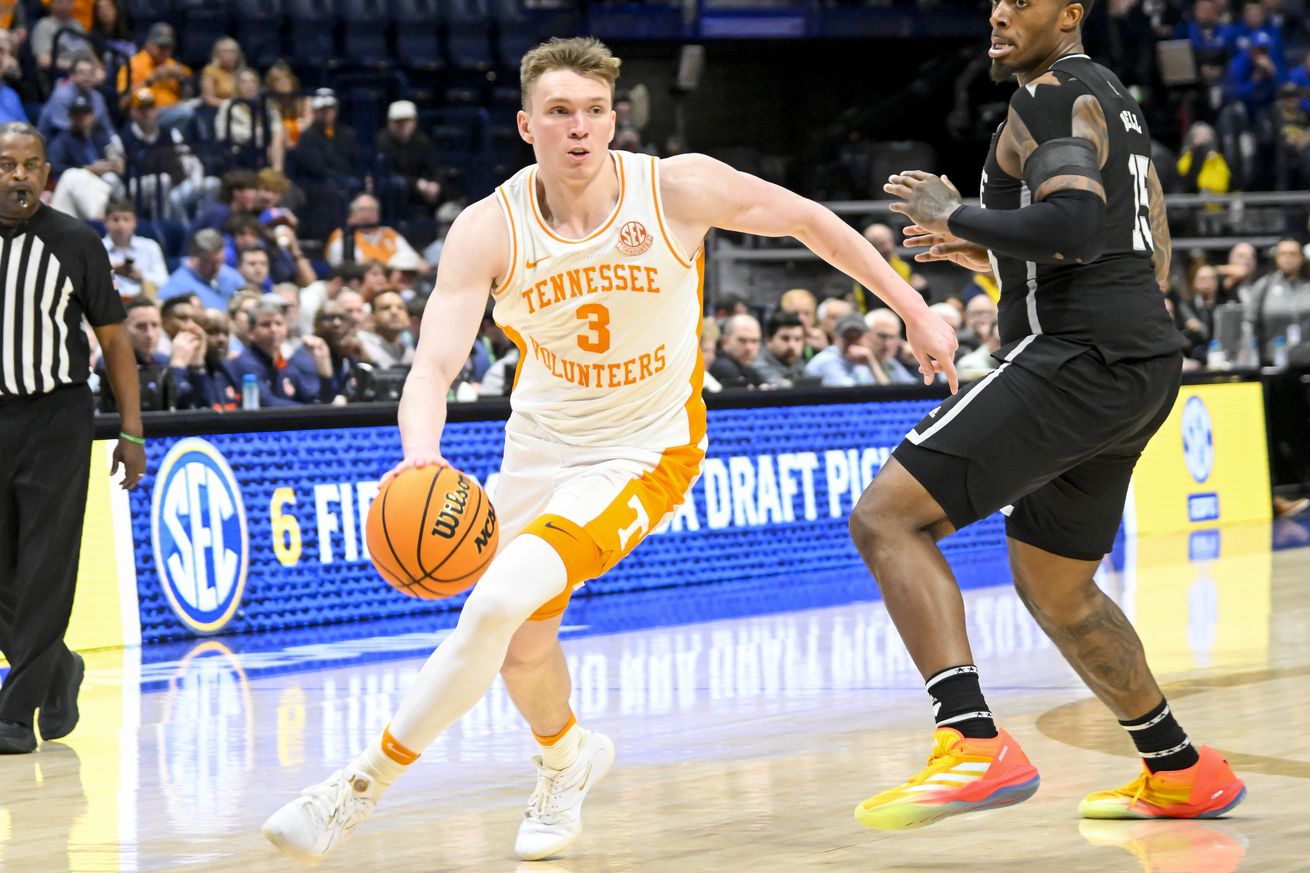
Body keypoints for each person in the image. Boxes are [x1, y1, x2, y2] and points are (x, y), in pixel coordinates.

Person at [261, 35, 955, 865]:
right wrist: (420, 458)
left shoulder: (673, 189)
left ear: (615, 119)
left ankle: (352, 789)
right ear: (528, 125)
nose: (580, 128)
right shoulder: (491, 227)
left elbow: (809, 222)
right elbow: (435, 365)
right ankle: (565, 759)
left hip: (645, 447)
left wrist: (915, 311)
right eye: (560, 112)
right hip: (540, 442)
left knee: (491, 605)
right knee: (521, 643)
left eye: (594, 111)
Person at [848, 0, 1245, 833]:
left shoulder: (1051, 94)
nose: (998, 11)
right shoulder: (1115, 98)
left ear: (1069, 14)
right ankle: (1179, 766)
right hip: (1138, 358)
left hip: (1081, 353)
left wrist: (951, 212)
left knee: (887, 518)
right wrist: (995, 252)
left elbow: (1068, 226)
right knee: (1056, 585)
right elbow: (1141, 248)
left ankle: (969, 741)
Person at [0, 122, 145, 754]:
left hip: (56, 417)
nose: (19, 175)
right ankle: (60, 669)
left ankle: (13, 710)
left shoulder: (74, 241)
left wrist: (131, 431)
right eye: (7, 164)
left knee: (46, 566)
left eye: (31, 164)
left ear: (47, 174)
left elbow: (115, 340)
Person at [102, 198, 167, 300]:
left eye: (126, 219)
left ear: (135, 222)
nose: (121, 225)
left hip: (143, 301)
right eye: (115, 219)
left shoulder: (150, 246)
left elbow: (164, 282)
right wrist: (109, 271)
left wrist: (140, 275)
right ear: (105, 222)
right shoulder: (96, 247)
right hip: (109, 301)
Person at [805, 312, 879, 386]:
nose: (852, 343)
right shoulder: (827, 360)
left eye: (857, 337)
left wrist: (871, 362)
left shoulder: (862, 362)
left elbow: (886, 392)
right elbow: (851, 393)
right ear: (836, 337)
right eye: (848, 337)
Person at [752, 310, 810, 387]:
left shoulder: (798, 363)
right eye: (785, 338)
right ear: (769, 340)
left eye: (797, 339)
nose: (792, 345)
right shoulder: (756, 365)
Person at [710, 312, 767, 389]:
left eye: (754, 341)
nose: (749, 347)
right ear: (725, 342)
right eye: (742, 340)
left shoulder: (749, 370)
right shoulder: (723, 367)